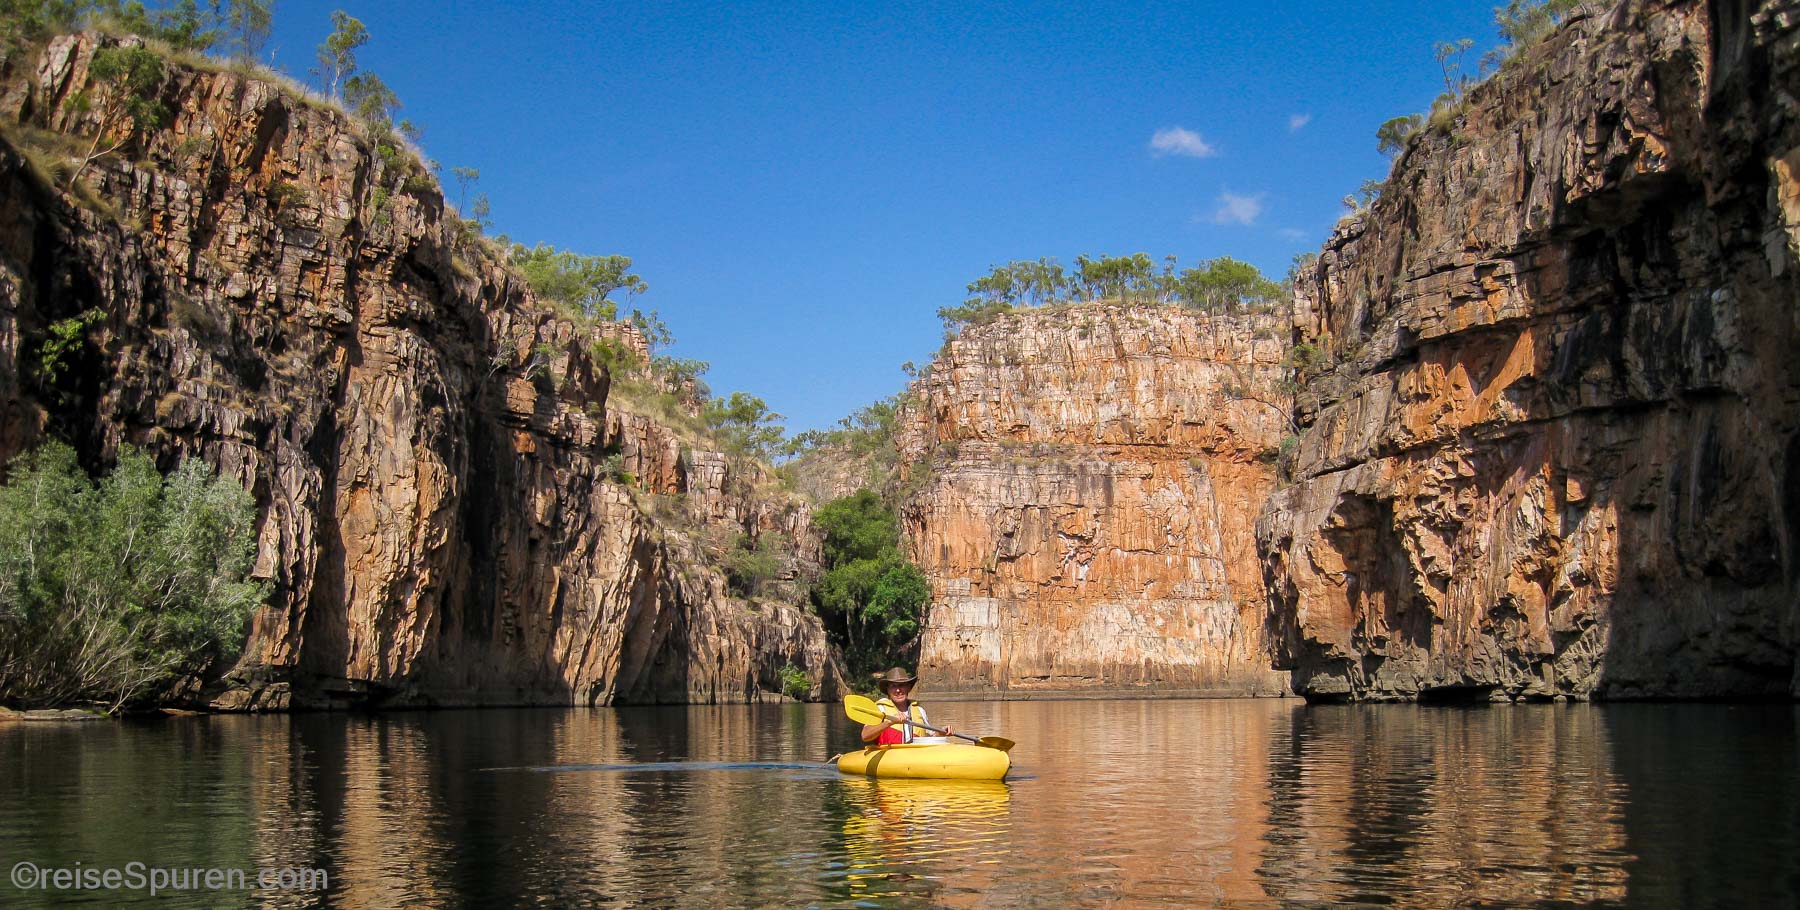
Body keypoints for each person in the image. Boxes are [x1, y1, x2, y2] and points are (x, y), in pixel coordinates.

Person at [860, 667, 952, 745]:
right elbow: (865, 736)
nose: (898, 690)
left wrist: (941, 733)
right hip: (889, 758)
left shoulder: (920, 710)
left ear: (908, 687)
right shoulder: (881, 709)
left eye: (901, 685)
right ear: (888, 690)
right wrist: (888, 723)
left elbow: (928, 738)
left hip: (913, 758)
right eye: (893, 686)